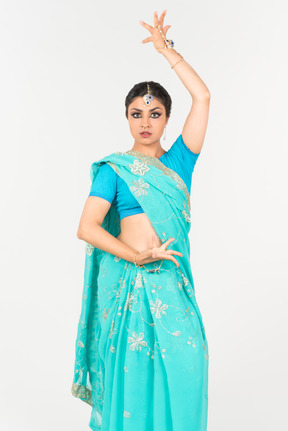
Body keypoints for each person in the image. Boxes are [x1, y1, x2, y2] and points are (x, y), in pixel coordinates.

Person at [71, 10, 211, 431]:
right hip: (130, 287)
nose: (145, 122)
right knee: (132, 381)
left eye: (154, 114)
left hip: (172, 282)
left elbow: (203, 98)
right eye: (136, 114)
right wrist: (135, 255)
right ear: (127, 118)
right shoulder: (114, 170)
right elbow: (87, 228)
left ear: (167, 118)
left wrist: (168, 52)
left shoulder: (179, 165)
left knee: (188, 369)